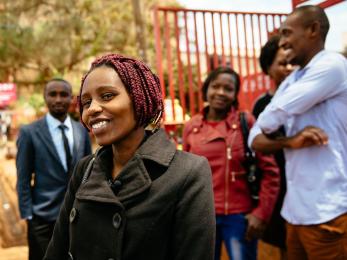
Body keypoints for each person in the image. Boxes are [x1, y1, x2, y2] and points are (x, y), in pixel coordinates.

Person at [44, 54, 215, 260]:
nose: (92, 109)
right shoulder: (85, 168)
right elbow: (58, 249)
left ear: (140, 97)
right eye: (86, 102)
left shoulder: (188, 172)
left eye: (107, 96)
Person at [248, 5, 347, 260]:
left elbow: (269, 119)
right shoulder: (293, 80)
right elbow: (254, 138)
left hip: (328, 213)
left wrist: (273, 125)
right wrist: (291, 141)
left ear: (313, 30)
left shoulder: (333, 66)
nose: (283, 42)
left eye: (287, 33)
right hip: (294, 213)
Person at [183, 66, 280, 260]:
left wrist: (261, 213)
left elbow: (271, 172)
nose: (220, 92)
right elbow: (184, 175)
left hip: (239, 217)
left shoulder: (247, 122)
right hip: (202, 216)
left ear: (235, 93)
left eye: (227, 88)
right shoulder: (191, 127)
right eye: (215, 86)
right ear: (206, 89)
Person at [16, 78, 92, 260]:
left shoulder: (81, 130)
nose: (58, 99)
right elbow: (23, 176)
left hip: (76, 215)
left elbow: (89, 172)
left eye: (63, 95)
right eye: (53, 94)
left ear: (72, 99)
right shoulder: (29, 132)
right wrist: (28, 215)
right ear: (45, 97)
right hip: (42, 217)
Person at [252, 35, 293, 255]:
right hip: (277, 183)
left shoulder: (308, 98)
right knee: (283, 241)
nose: (289, 68)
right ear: (268, 68)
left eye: (291, 63)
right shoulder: (261, 105)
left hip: (303, 179)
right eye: (282, 64)